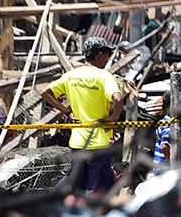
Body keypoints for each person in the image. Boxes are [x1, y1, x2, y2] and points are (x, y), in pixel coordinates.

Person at [40, 36, 126, 194]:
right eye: (108, 55)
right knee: (97, 191)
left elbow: (45, 92)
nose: (108, 59)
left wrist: (67, 112)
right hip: (99, 144)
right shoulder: (104, 76)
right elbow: (118, 98)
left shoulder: (71, 75)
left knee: (78, 190)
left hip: (78, 144)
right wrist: (113, 118)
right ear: (99, 55)